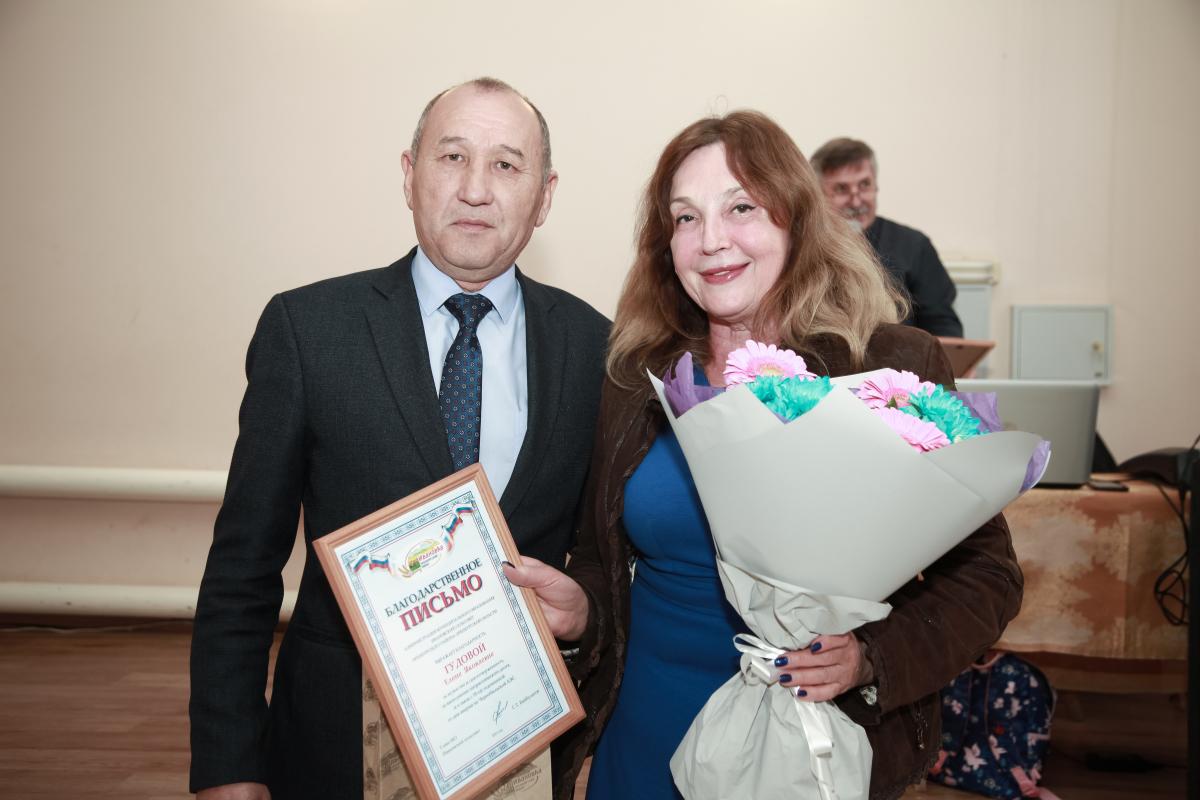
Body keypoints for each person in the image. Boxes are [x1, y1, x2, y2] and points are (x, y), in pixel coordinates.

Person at [505, 111, 1022, 800]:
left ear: (796, 218)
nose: (711, 240)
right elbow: (604, 562)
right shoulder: (635, 377)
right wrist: (582, 609)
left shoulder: (889, 367)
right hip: (646, 735)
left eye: (741, 207)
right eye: (685, 218)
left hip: (807, 747)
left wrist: (871, 658)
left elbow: (987, 576)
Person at [189, 77, 610, 800]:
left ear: (544, 196)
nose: (475, 189)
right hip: (333, 749)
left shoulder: (596, 349)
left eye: (506, 165)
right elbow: (242, 565)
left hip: (518, 746)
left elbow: (604, 555)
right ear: (410, 175)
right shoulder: (310, 331)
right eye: (452, 157)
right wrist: (229, 763)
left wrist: (586, 611)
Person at [810, 137, 964, 337]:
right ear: (818, 196)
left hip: (902, 355)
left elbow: (944, 329)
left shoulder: (914, 246)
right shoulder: (806, 246)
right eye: (841, 189)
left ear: (876, 186)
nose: (856, 202)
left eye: (864, 185)